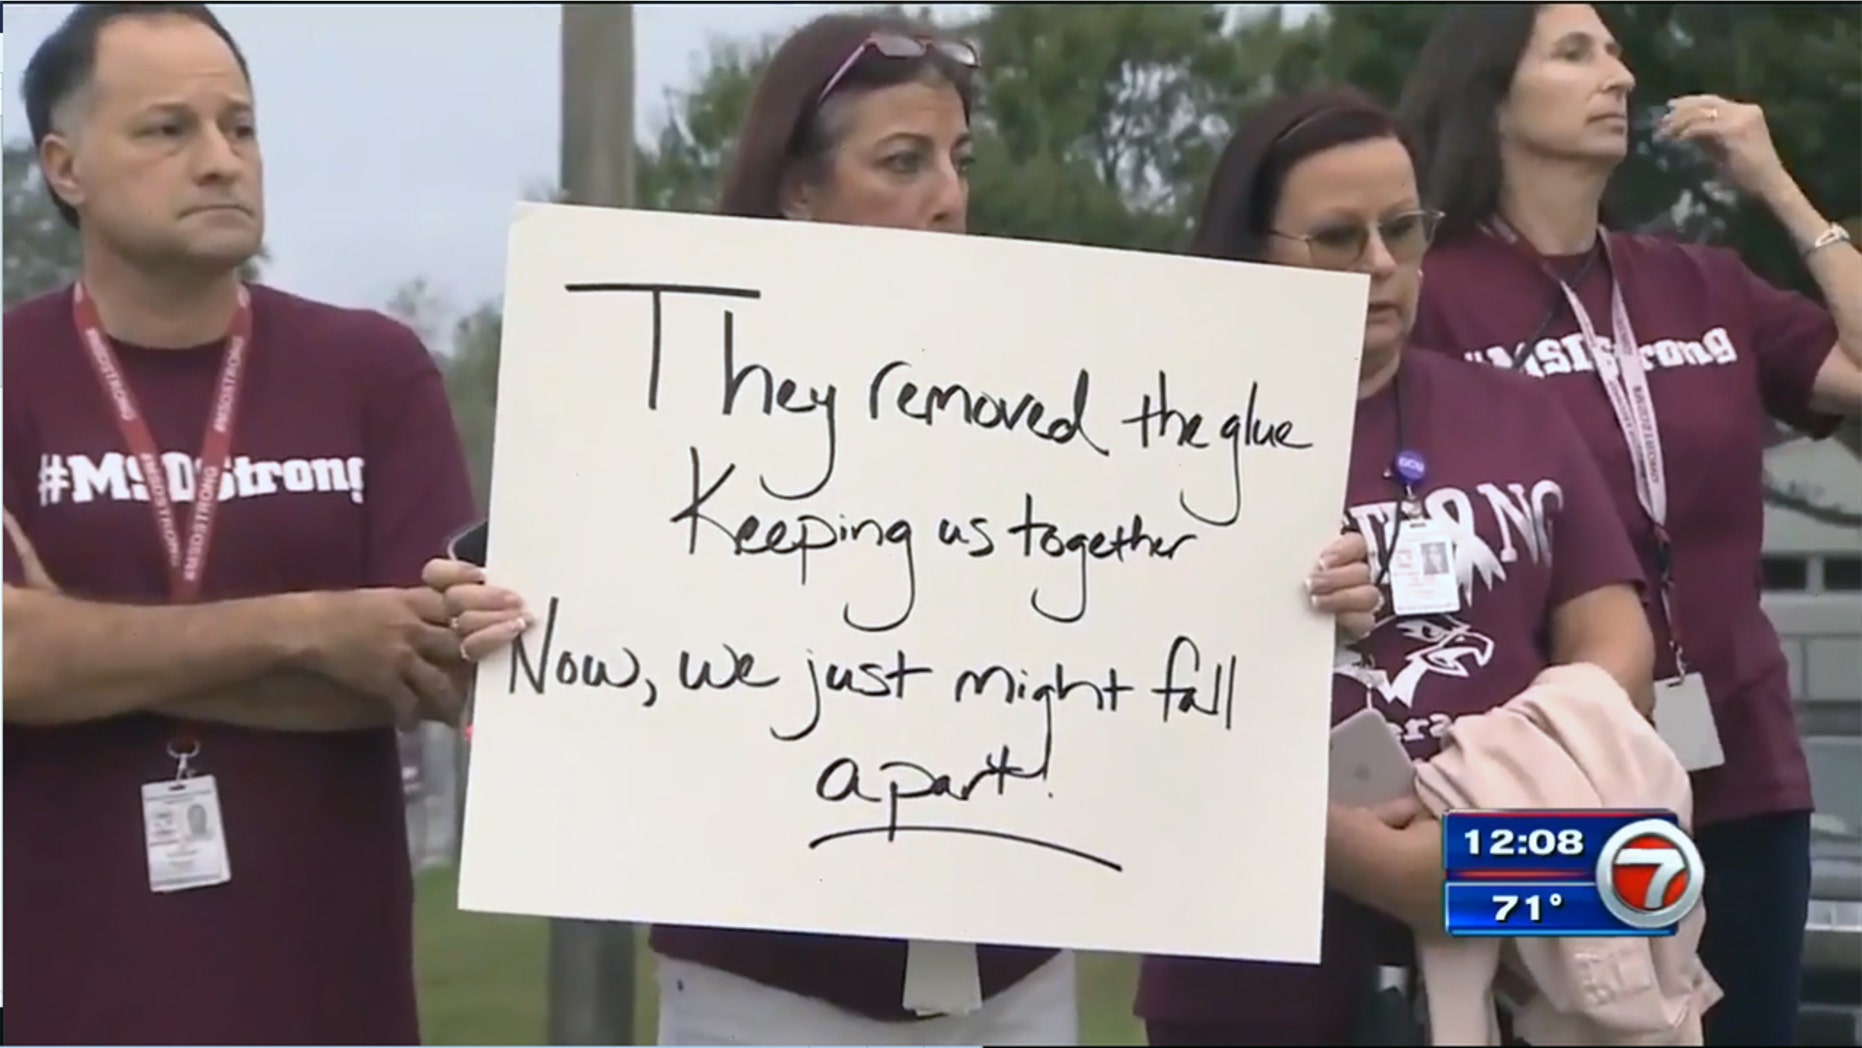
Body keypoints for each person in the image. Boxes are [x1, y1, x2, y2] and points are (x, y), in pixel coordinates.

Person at [423, 13, 1383, 1048]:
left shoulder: (1070, 380)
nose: (947, 195)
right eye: (901, 161)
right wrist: (484, 606)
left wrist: (1307, 593)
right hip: (766, 989)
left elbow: (1164, 608)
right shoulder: (668, 388)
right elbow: (543, 586)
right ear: (797, 187)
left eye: (958, 160)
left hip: (1016, 980)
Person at [1134, 86, 1657, 1046]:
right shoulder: (1160, 439)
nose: (1382, 265)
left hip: (1516, 904)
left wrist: (1481, 808)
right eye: (1338, 238)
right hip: (1251, 963)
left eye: (1404, 230)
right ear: (1253, 251)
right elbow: (1121, 696)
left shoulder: (1518, 416)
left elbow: (1616, 644)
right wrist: (1357, 852)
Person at [3, 4, 478, 1043]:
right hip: (72, 1001)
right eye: (168, 130)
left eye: (241, 128)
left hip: (329, 1001)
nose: (221, 161)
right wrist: (313, 630)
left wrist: (86, 658)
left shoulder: (372, 370)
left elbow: (433, 669)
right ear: (66, 166)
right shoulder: (12, 376)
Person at [1396, 6, 1862, 1042]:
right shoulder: (1432, 296)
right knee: (1586, 1030)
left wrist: (1780, 192)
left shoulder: (1692, 281)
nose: (1618, 72)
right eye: (1573, 53)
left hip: (1737, 773)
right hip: (1544, 787)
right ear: (1491, 97)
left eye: (1612, 50)